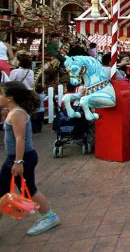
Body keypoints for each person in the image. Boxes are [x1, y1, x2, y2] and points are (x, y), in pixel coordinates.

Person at [0, 81, 61, 235]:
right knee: (2, 190)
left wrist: (18, 162)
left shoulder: (17, 114)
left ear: (10, 98)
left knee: (29, 189)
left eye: (1, 94)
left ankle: (49, 216)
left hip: (22, 157)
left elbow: (20, 139)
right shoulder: (12, 111)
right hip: (15, 158)